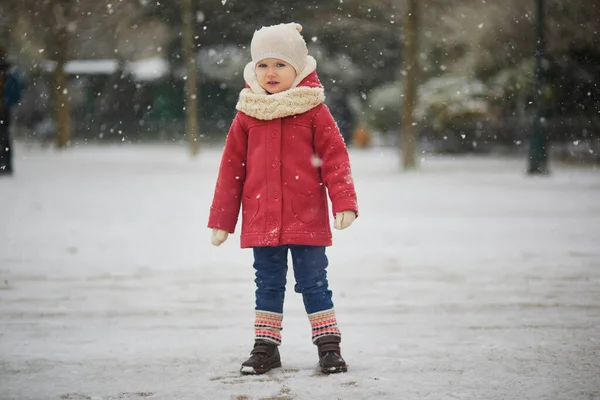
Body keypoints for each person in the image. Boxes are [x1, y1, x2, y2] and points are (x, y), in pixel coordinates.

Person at [207, 22, 359, 375]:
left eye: (280, 65)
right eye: (263, 65)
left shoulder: (314, 111)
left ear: (298, 68)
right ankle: (266, 347)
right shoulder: (247, 114)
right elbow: (231, 170)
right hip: (262, 218)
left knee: (313, 282)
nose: (270, 73)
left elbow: (335, 160)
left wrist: (345, 202)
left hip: (305, 215)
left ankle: (328, 345)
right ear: (253, 69)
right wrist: (221, 220)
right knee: (268, 283)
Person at [0, 44, 23, 176]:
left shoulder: (7, 70)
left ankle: (5, 165)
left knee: (4, 137)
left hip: (4, 108)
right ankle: (6, 165)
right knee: (5, 137)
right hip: (5, 109)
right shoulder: (8, 69)